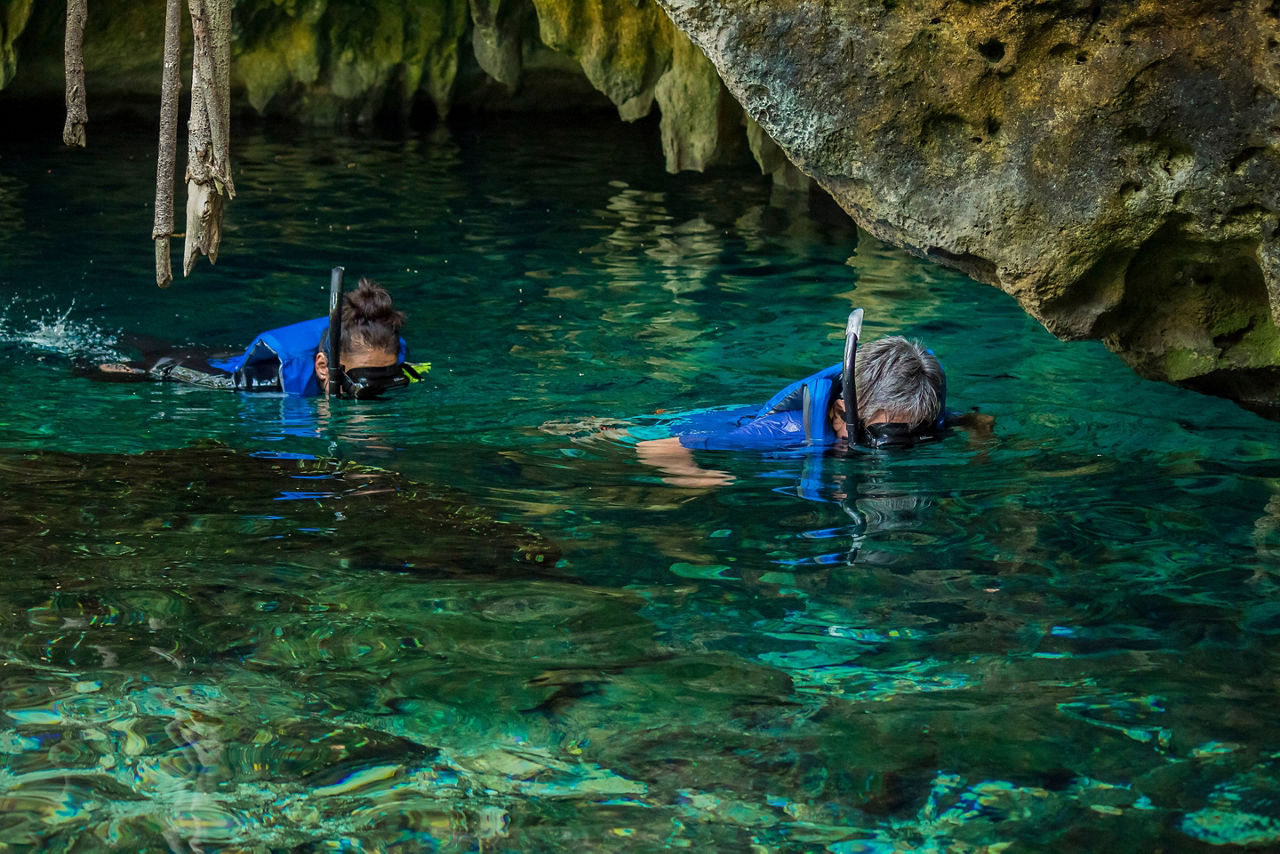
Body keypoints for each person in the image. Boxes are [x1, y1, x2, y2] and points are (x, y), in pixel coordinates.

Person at [634, 313, 991, 486]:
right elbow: (658, 447)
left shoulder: (916, 415)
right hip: (658, 427)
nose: (907, 443)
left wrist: (980, 449)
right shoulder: (782, 432)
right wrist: (701, 477)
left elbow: (978, 419)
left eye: (917, 433)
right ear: (840, 413)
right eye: (889, 440)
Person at [96, 276, 426, 399]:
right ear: (324, 367)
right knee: (156, 360)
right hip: (220, 372)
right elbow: (182, 374)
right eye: (367, 384)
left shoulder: (383, 356)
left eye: (389, 381)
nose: (378, 393)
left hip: (245, 354)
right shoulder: (266, 382)